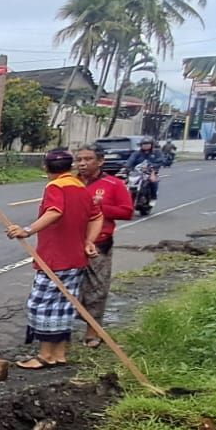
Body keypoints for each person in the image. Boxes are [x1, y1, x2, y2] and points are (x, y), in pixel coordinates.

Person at [6, 148, 103, 369]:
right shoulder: (80, 187)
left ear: (45, 168)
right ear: (71, 166)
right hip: (75, 259)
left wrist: (27, 230)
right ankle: (59, 353)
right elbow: (97, 217)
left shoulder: (55, 186)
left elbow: (55, 211)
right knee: (63, 306)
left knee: (41, 306)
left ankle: (45, 355)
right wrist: (89, 241)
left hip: (55, 260)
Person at [73, 144, 134, 348]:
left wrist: (97, 208)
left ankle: (93, 332)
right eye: (79, 159)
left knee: (96, 289)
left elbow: (126, 211)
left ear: (100, 161)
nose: (82, 163)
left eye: (88, 159)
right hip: (70, 243)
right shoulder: (70, 183)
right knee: (67, 288)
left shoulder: (113, 184)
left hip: (99, 244)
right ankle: (59, 333)